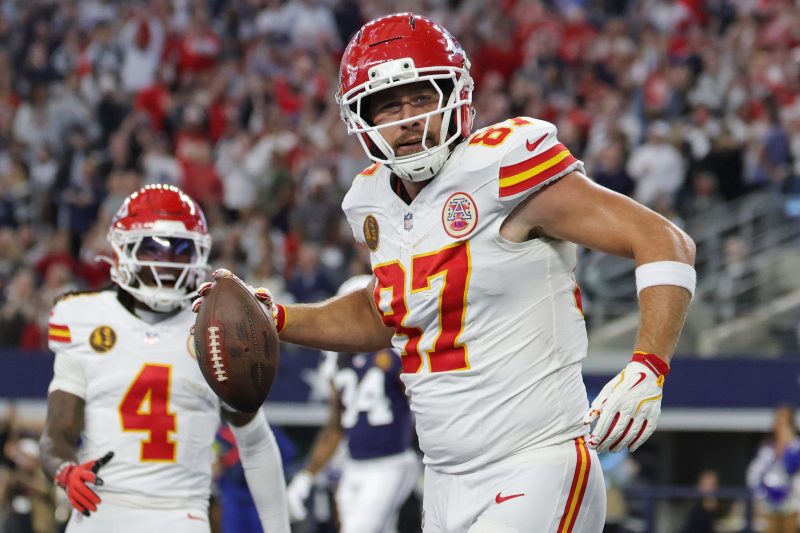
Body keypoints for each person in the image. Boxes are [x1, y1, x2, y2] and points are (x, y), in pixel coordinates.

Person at [196, 13, 696, 532]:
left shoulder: (501, 166)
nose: (409, 118)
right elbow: (383, 311)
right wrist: (277, 317)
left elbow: (663, 240)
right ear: (360, 118)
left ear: (456, 96)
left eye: (422, 97)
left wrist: (648, 366)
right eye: (389, 105)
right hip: (443, 479)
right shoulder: (371, 201)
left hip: (537, 461)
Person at [38, 184, 290, 533]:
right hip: (100, 507)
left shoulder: (215, 329)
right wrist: (65, 470)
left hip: (180, 513)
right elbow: (57, 433)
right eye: (153, 247)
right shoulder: (83, 316)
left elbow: (256, 442)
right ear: (123, 249)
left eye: (182, 249)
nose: (168, 261)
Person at [286, 275, 419, 533]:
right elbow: (336, 426)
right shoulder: (338, 360)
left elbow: (420, 405)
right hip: (353, 464)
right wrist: (306, 476)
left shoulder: (395, 353)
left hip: (391, 461)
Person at [747, 405, 800, 533]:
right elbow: (754, 475)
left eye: (784, 423)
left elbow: (792, 469)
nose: (780, 428)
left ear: (791, 425)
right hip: (768, 505)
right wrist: (760, 497)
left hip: (793, 506)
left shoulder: (796, 448)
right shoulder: (767, 448)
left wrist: (786, 450)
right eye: (778, 423)